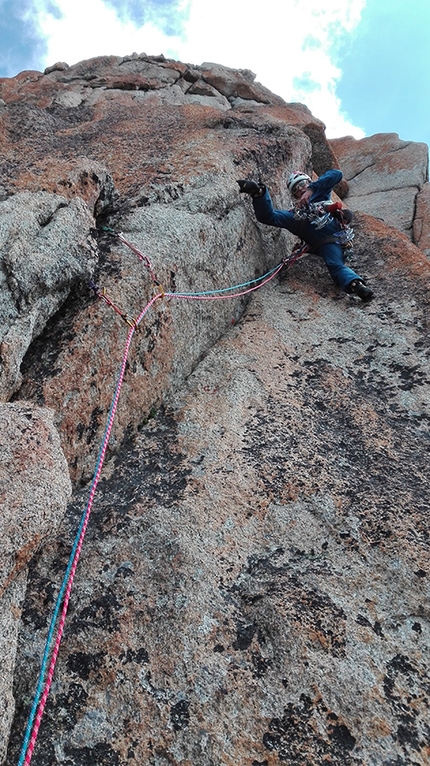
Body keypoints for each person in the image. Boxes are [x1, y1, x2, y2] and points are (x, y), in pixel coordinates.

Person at [238, 169, 373, 302]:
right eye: (296, 189)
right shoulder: (294, 215)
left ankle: (356, 284)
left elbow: (337, 174)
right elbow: (268, 217)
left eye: (303, 184)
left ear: (310, 181)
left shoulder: (322, 194)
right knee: (335, 265)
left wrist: (312, 189)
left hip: (333, 235)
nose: (301, 189)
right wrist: (259, 195)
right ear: (295, 195)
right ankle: (356, 284)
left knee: (335, 265)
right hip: (316, 233)